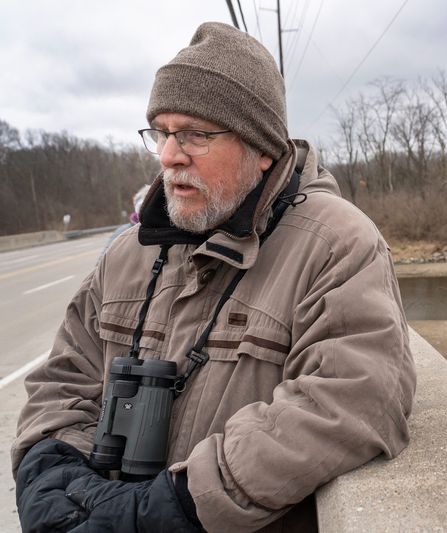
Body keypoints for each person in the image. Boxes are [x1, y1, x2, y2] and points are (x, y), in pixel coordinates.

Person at [12, 22, 415, 533]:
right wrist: (51, 478)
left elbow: (352, 400)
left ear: (261, 147)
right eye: (161, 132)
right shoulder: (127, 254)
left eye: (196, 134)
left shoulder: (336, 244)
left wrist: (170, 506)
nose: (168, 156)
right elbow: (62, 379)